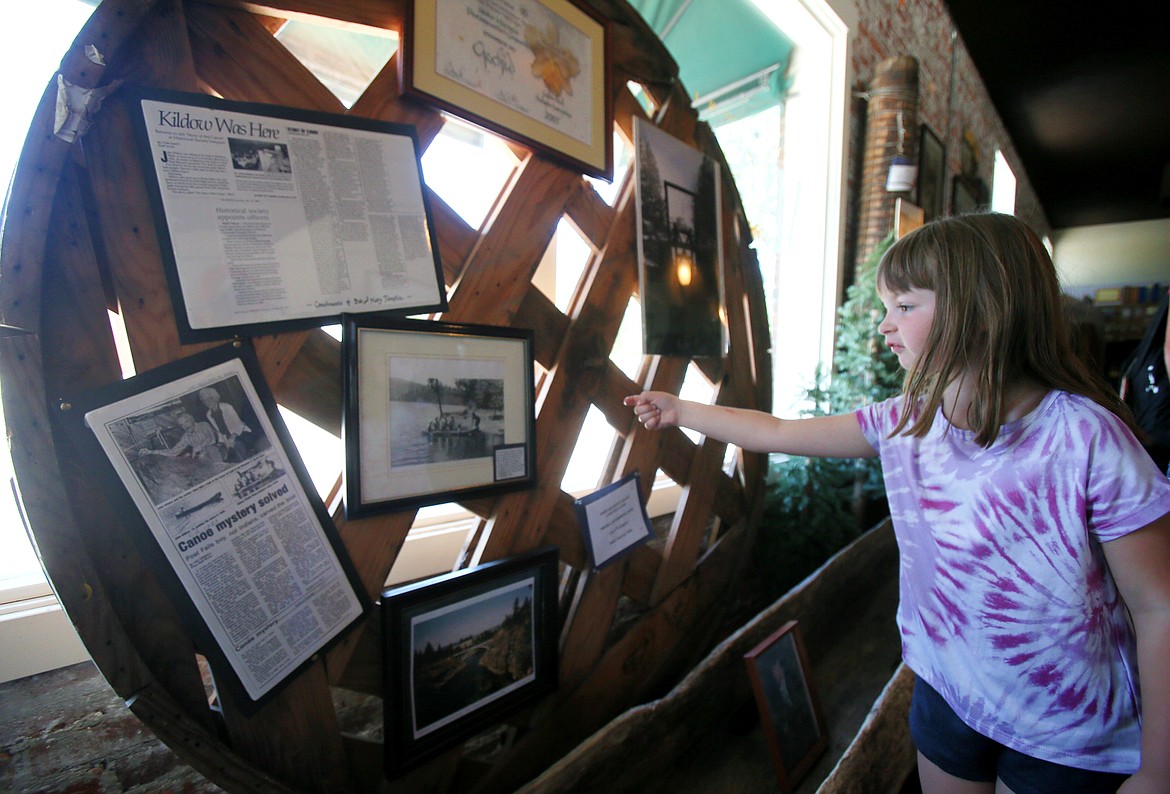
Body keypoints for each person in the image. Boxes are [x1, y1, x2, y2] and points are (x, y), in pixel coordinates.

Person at [625, 213, 1170, 793]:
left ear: (981, 308)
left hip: (1065, 729)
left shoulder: (1088, 438)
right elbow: (781, 430)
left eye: (904, 306)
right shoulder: (906, 420)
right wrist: (683, 412)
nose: (884, 327)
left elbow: (1159, 606)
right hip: (946, 689)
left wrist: (1159, 770)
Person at [199, 386, 255, 462]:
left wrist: (232, 438)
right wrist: (220, 443)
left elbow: (239, 425)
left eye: (209, 398)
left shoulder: (227, 407)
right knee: (223, 456)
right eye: (204, 400)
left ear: (215, 397)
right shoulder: (209, 414)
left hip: (240, 434)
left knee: (237, 448)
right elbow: (219, 431)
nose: (207, 402)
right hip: (227, 439)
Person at [141, 411, 219, 460]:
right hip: (204, 459)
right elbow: (174, 451)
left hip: (218, 453)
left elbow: (212, 438)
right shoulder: (186, 437)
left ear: (192, 419)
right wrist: (152, 452)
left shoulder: (203, 425)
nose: (185, 426)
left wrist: (199, 446)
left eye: (186, 422)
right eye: (182, 424)